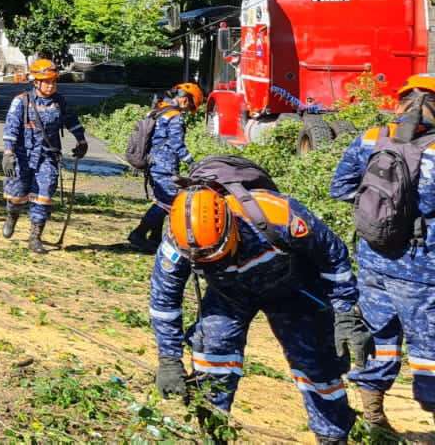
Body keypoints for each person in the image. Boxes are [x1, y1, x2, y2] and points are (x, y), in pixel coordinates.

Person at [151, 185, 368, 445]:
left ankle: (332, 436)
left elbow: (332, 255)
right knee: (212, 359)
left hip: (292, 290)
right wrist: (169, 359)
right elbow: (164, 301)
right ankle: (212, 434)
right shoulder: (176, 243)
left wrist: (345, 314)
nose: (207, 264)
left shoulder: (278, 215)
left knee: (317, 365)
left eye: (214, 257)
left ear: (230, 231)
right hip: (228, 296)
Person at [328, 73, 435, 432]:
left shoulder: (371, 138)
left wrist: (377, 214)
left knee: (380, 338)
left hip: (373, 257)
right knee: (428, 345)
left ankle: (374, 417)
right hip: (422, 267)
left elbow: (339, 188)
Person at [1, 58, 88, 253]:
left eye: (53, 81)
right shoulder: (21, 101)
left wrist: (81, 141)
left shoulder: (60, 102)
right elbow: (11, 127)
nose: (51, 85)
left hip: (47, 157)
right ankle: (12, 217)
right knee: (16, 196)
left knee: (44, 196)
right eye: (47, 81)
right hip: (22, 158)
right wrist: (8, 152)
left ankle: (35, 237)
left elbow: (72, 121)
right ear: (36, 82)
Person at [127, 83, 203, 253]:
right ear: (184, 98)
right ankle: (138, 234)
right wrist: (192, 162)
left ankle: (154, 240)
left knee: (160, 201)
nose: (188, 109)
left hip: (153, 164)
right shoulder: (175, 117)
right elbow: (177, 144)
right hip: (164, 166)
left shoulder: (160, 111)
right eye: (190, 105)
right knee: (166, 203)